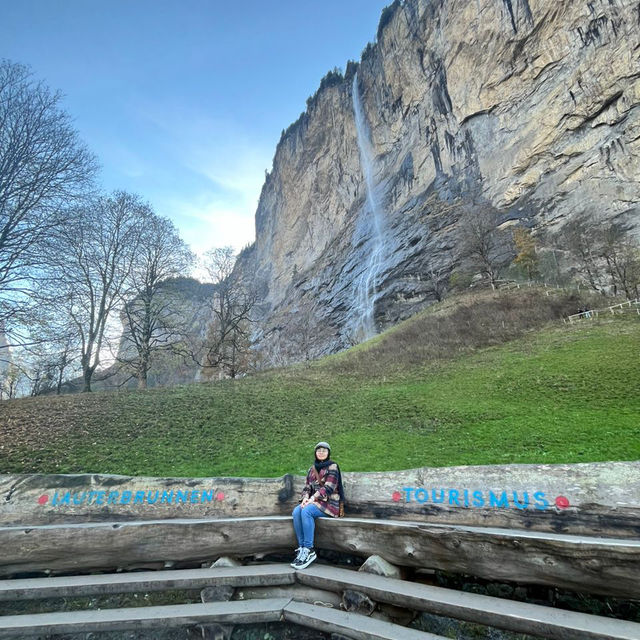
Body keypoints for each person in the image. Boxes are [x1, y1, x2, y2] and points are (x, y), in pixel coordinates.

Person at [290, 441, 344, 569]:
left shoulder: (333, 467)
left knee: (306, 511)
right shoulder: (312, 469)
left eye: (324, 450)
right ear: (315, 452)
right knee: (297, 511)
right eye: (319, 450)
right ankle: (302, 548)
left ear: (328, 453)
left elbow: (329, 487)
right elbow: (307, 487)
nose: (321, 452)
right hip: (315, 501)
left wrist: (313, 498)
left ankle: (309, 550)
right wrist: (305, 498)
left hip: (330, 503)